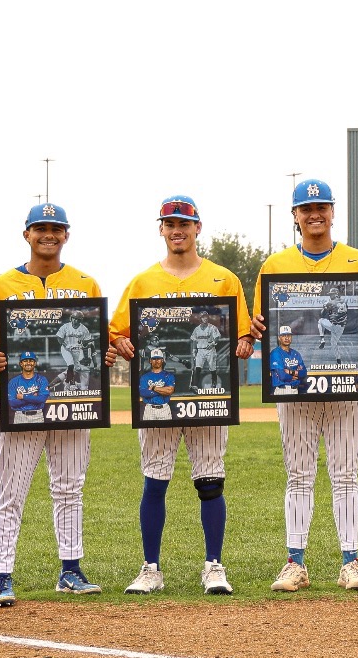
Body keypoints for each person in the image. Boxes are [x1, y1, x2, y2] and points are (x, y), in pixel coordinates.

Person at [107, 195, 254, 596]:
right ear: (161, 229)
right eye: (170, 224)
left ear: (197, 228)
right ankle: (151, 567)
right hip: (159, 395)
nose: (177, 230)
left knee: (210, 481)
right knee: (155, 481)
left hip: (207, 395)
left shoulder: (224, 279)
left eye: (184, 224)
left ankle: (213, 566)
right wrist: (119, 342)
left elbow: (243, 332)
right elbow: (117, 330)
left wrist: (244, 343)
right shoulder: (142, 282)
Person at [255, 178, 358, 593]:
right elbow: (263, 323)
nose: (315, 214)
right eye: (306, 208)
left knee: (346, 475)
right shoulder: (274, 267)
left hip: (345, 385)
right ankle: (295, 563)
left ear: (332, 212)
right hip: (296, 389)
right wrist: (258, 327)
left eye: (322, 207)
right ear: (295, 216)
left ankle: (351, 561)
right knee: (299, 475)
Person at [0, 203, 106, 606]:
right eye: (40, 228)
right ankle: (0, 575)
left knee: (69, 489)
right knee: (10, 491)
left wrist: (104, 355)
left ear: (67, 234)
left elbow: (97, 342)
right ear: (26, 234)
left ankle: (70, 570)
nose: (48, 235)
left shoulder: (86, 284)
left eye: (55, 228)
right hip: (21, 401)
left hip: (73, 403)